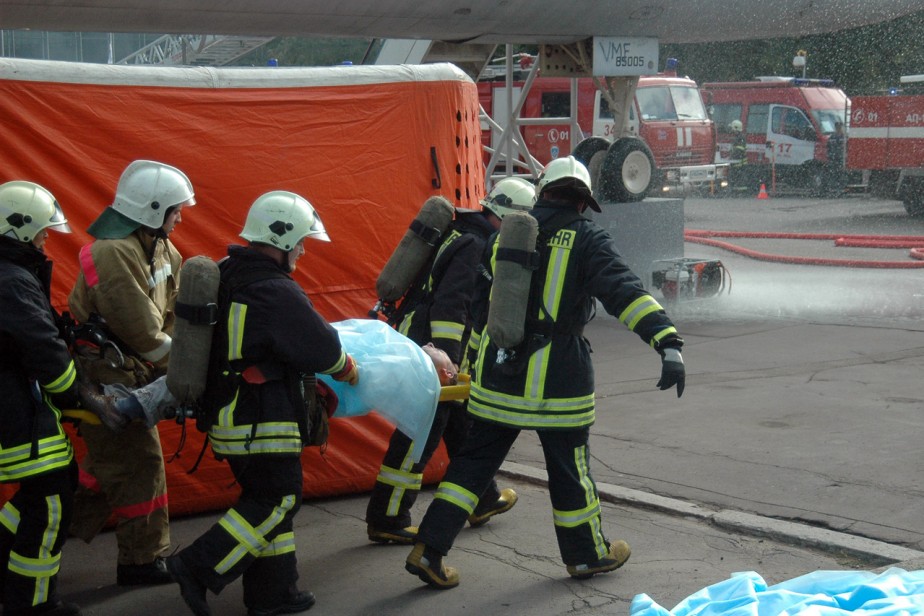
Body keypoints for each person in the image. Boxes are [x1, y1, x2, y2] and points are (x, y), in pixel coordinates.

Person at [404, 156, 685, 589]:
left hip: (499, 378)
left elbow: (482, 311)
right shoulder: (588, 239)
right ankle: (587, 556)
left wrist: (476, 366)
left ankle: (429, 549)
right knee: (569, 472)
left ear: (542, 190)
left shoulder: (505, 240)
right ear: (583, 201)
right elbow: (623, 292)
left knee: (470, 468)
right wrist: (666, 341)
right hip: (560, 384)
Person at [164, 190, 359, 616]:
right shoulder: (272, 289)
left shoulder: (229, 272)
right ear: (283, 239)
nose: (304, 250)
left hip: (232, 414)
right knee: (280, 500)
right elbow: (321, 346)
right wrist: (348, 369)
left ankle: (273, 593)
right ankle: (196, 567)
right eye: (302, 242)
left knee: (267, 500)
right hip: (260, 418)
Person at [364, 177, 536, 545]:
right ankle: (388, 516)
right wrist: (445, 359)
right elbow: (451, 303)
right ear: (509, 218)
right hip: (434, 350)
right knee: (420, 432)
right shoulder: (476, 245)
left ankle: (482, 498)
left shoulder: (460, 232)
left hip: (423, 342)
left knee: (460, 423)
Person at [67, 160, 196, 586]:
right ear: (152, 210)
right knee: (140, 466)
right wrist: (188, 373)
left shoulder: (162, 248)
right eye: (175, 209)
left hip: (136, 376)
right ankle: (142, 562)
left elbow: (173, 316)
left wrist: (182, 364)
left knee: (106, 469)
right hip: (109, 379)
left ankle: (25, 535)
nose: (180, 217)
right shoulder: (111, 252)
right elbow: (144, 333)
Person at [0, 181, 82, 615]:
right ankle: (31, 605)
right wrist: (77, 392)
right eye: (41, 231)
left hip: (14, 406)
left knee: (51, 486)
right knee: (50, 503)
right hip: (14, 412)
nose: (46, 238)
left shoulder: (10, 273)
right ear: (20, 229)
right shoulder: (11, 280)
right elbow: (42, 350)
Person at [824, 121, 846, 195]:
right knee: (834, 174)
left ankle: (840, 189)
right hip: (833, 158)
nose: (838, 128)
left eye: (840, 127)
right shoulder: (832, 137)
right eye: (837, 127)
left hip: (841, 159)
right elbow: (828, 147)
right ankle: (834, 189)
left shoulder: (844, 137)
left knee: (840, 174)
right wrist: (829, 156)